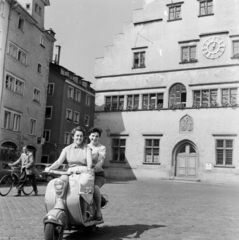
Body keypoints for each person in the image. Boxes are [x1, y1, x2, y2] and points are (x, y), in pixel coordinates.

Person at [45, 126, 94, 216]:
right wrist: (50, 168)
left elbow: (89, 163)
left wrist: (89, 168)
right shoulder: (67, 149)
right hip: (70, 172)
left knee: (81, 184)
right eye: (77, 136)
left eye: (81, 136)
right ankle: (61, 204)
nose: (79, 138)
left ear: (83, 137)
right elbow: (59, 162)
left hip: (84, 172)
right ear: (73, 136)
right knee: (61, 183)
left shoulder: (87, 148)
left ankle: (84, 211)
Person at [88, 127, 107, 221]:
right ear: (89, 136)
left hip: (98, 174)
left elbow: (101, 160)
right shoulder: (85, 147)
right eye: (93, 136)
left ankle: (99, 211)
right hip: (86, 174)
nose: (94, 138)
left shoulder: (101, 148)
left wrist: (96, 167)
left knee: (95, 187)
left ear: (99, 138)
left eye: (97, 136)